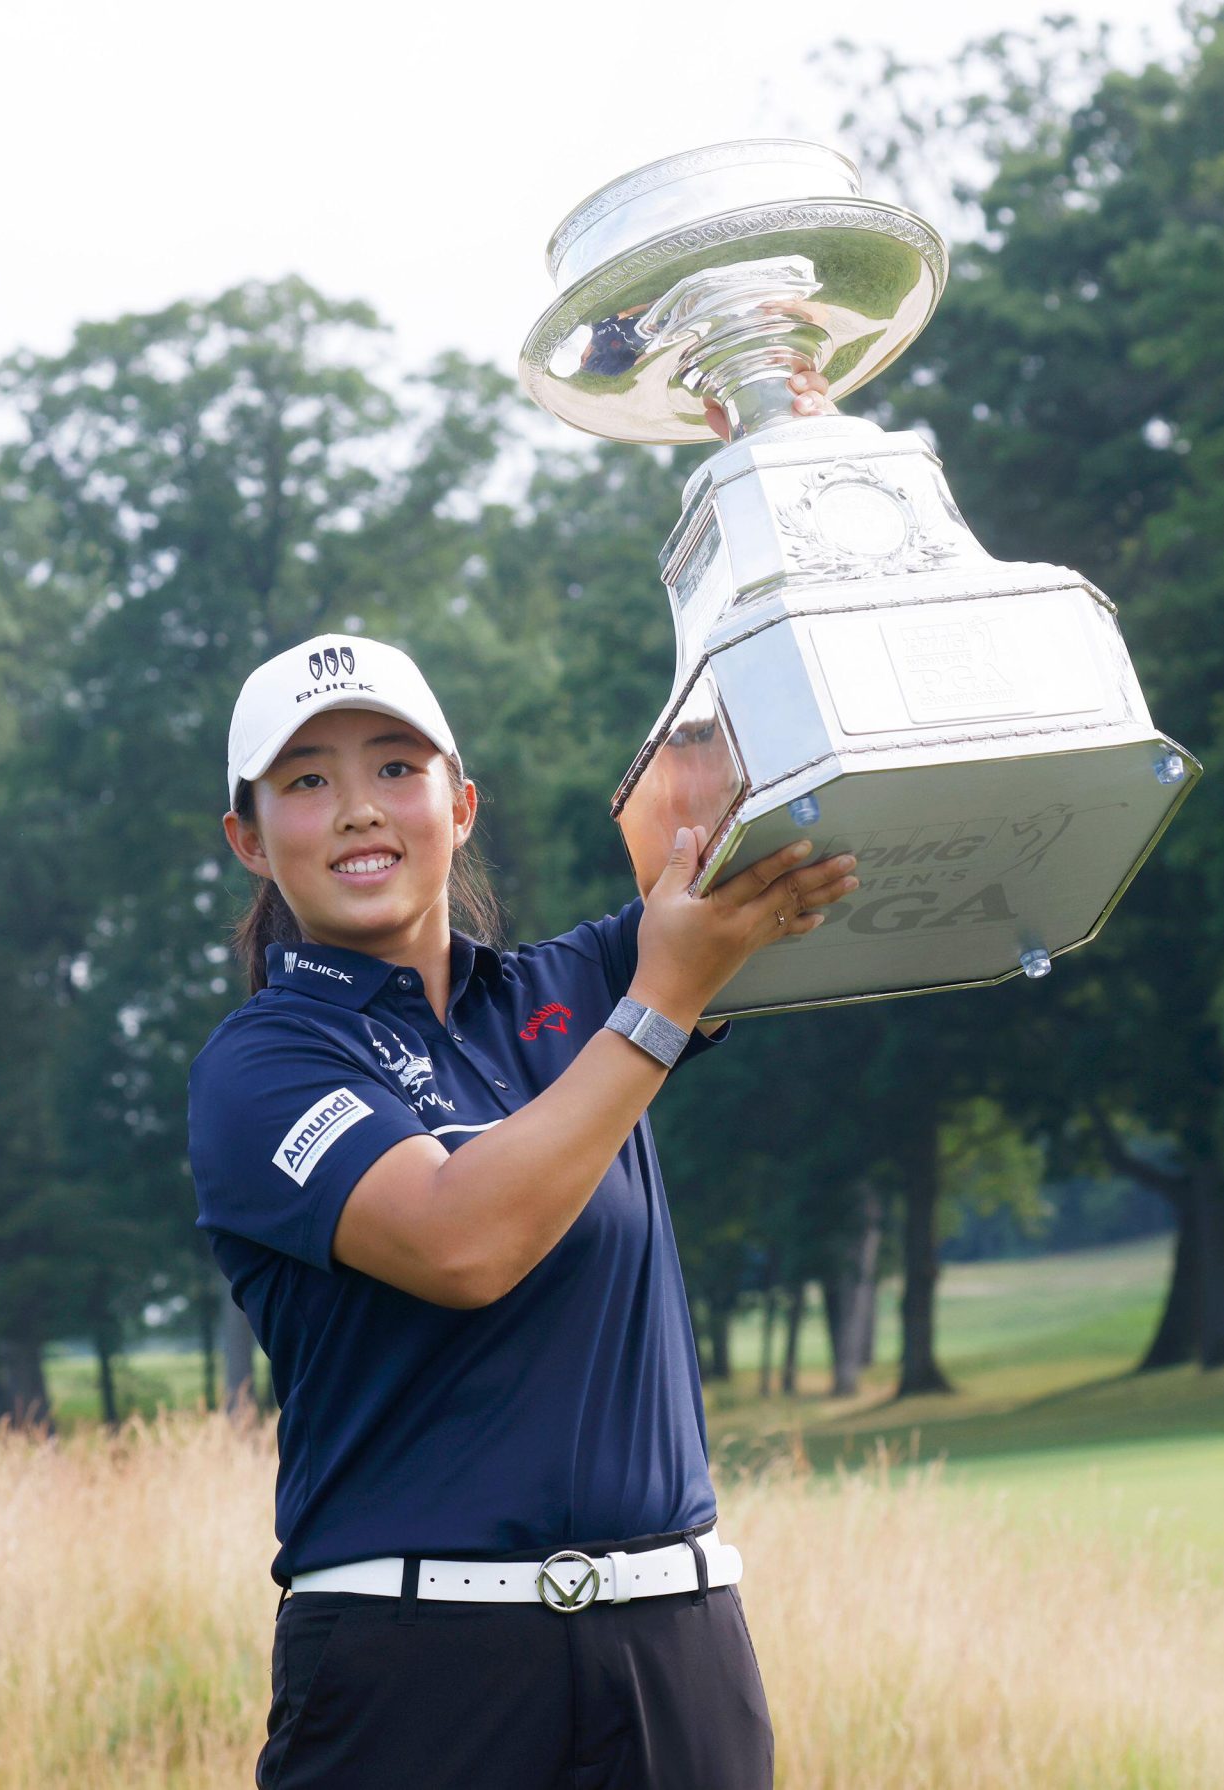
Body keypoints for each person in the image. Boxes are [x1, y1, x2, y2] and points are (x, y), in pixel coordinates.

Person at [186, 616, 860, 1788]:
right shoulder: (260, 1067)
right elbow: (462, 1238)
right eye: (308, 780)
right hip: (418, 1678)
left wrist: (763, 469)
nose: (358, 807)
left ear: (461, 803)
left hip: (673, 1652)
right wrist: (658, 1006)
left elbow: (782, 790)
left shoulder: (580, 986)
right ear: (248, 838)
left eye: (397, 767)